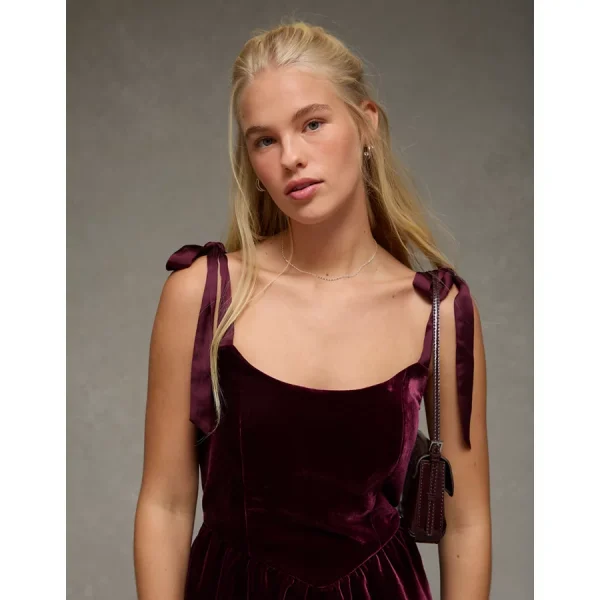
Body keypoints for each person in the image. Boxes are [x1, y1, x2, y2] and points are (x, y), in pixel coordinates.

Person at [133, 20, 492, 600]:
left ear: (366, 123)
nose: (291, 157)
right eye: (264, 140)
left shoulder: (438, 312)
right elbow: (166, 504)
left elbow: (468, 523)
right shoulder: (204, 294)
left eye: (312, 124)